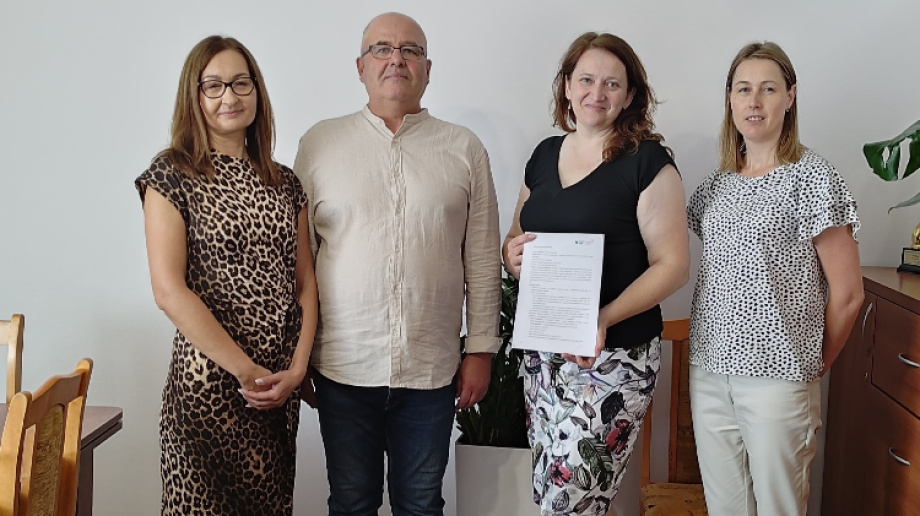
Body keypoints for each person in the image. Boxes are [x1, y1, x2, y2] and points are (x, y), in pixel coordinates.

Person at [293, 12, 501, 516]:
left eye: (410, 50)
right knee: (351, 503)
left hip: (431, 371)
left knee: (422, 505)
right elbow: (300, 264)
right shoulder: (319, 144)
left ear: (427, 68)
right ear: (360, 66)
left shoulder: (464, 148)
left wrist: (480, 350)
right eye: (382, 49)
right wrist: (300, 357)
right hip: (342, 367)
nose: (396, 59)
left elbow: (481, 256)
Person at [504, 32, 689, 516]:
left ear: (630, 96)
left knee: (571, 501)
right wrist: (511, 255)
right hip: (545, 356)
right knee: (551, 493)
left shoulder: (648, 162)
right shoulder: (544, 155)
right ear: (567, 86)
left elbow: (673, 266)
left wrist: (602, 317)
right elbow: (516, 237)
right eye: (586, 80)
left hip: (616, 357)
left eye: (612, 83)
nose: (597, 93)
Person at [135, 35, 318, 516]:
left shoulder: (285, 182)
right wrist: (247, 372)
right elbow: (168, 291)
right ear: (194, 96)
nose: (229, 97)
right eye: (213, 85)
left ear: (257, 91)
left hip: (277, 391)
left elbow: (305, 284)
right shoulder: (171, 174)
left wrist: (297, 369)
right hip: (209, 390)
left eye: (240, 83)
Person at [687, 41, 864, 516]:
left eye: (768, 89)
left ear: (790, 96)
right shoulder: (717, 184)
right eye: (743, 89)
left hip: (778, 379)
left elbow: (849, 295)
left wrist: (812, 366)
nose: (754, 101)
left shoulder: (814, 177)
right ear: (730, 99)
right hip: (709, 372)